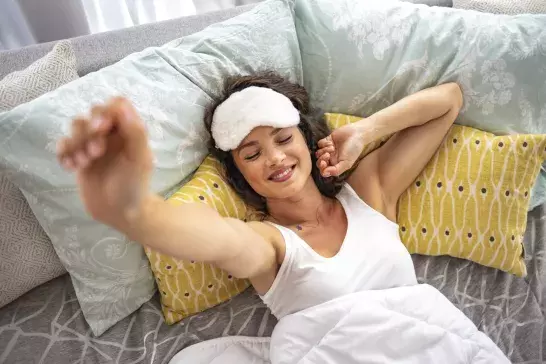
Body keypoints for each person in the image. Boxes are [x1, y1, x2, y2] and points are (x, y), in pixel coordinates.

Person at [56, 71, 463, 319]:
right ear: (240, 174)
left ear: (306, 139)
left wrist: (364, 132)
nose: (275, 158)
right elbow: (217, 240)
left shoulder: (369, 194)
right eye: (252, 154)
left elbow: (449, 101)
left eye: (284, 138)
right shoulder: (270, 244)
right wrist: (136, 212)